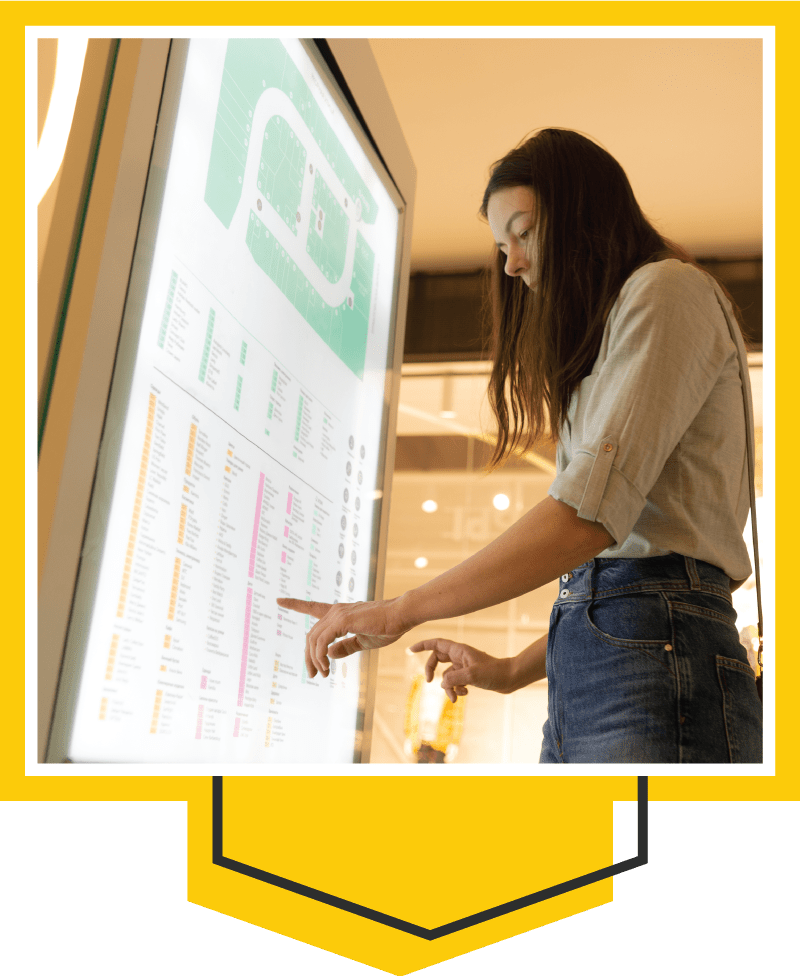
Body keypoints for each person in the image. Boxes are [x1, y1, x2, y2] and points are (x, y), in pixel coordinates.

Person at [278, 128, 763, 764]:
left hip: (655, 656)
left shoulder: (666, 290)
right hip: (615, 657)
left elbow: (593, 527)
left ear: (583, 215)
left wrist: (399, 612)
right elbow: (622, 578)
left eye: (524, 232)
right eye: (501, 245)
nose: (511, 264)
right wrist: (510, 670)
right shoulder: (629, 318)